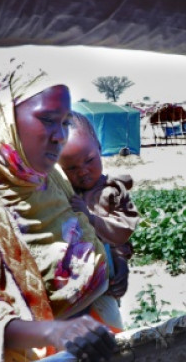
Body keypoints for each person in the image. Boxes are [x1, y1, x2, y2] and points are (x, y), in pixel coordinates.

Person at [0, 70, 122, 362]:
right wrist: (53, 331)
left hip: (97, 341)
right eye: (48, 119)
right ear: (4, 120)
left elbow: (83, 230)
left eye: (64, 122)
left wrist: (114, 261)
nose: (61, 135)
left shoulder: (50, 177)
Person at [58, 113, 139, 304]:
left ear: (100, 149)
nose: (83, 171)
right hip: (72, 286)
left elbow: (122, 233)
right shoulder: (64, 194)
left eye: (89, 160)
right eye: (71, 168)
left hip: (106, 281)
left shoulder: (113, 191)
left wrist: (121, 265)